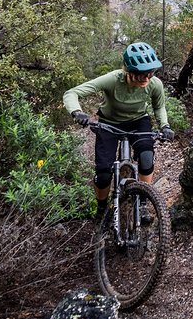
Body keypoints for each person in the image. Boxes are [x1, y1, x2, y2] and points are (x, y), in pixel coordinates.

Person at [63, 42, 175, 219]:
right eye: (141, 74)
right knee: (103, 173)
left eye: (150, 73)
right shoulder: (112, 80)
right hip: (109, 123)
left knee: (146, 157)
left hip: (138, 121)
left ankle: (144, 202)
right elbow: (72, 93)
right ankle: (101, 209)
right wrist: (77, 112)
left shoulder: (155, 84)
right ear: (128, 71)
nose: (146, 78)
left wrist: (165, 126)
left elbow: (159, 107)